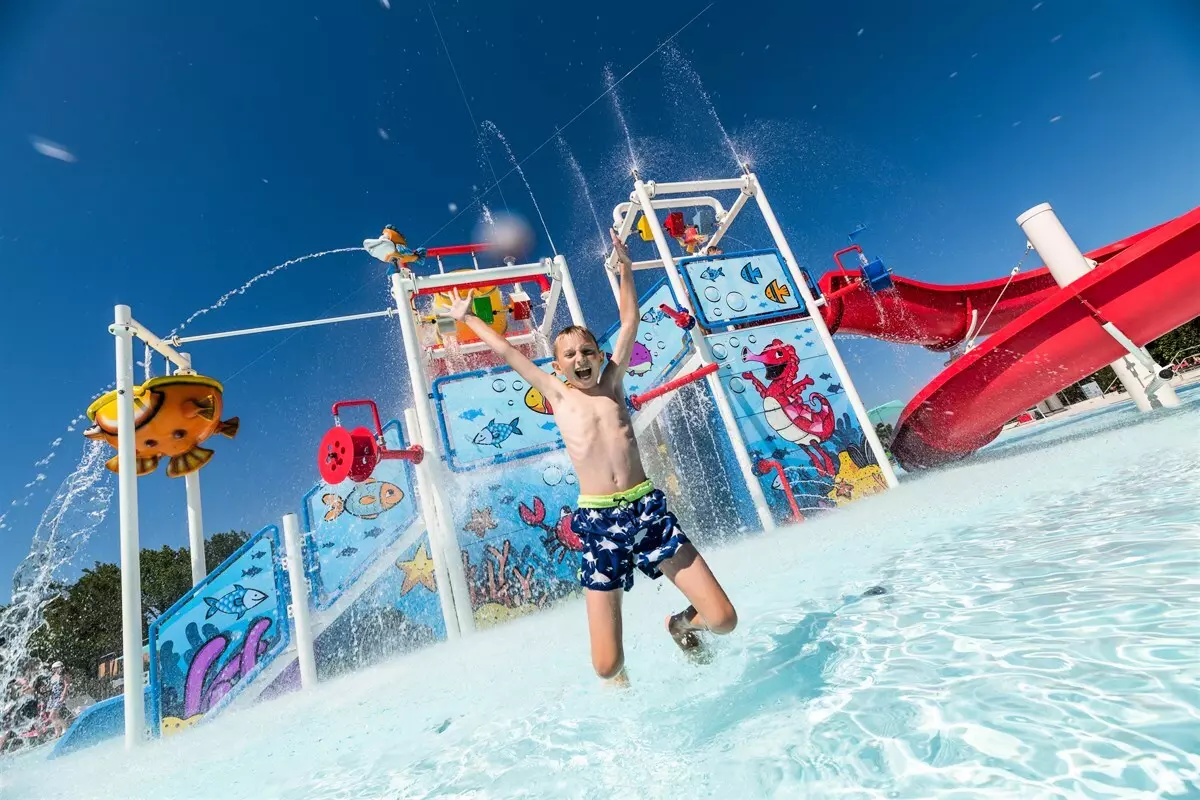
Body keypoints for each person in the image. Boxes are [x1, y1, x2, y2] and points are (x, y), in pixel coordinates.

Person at [445, 228, 737, 682]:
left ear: (600, 357)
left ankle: (680, 625)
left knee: (723, 620)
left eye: (587, 352)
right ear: (557, 366)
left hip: (647, 510)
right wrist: (469, 319)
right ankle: (618, 661)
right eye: (569, 355)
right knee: (607, 666)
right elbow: (506, 351)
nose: (580, 359)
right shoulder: (557, 394)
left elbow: (629, 318)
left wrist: (625, 268)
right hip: (600, 522)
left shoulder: (614, 384)